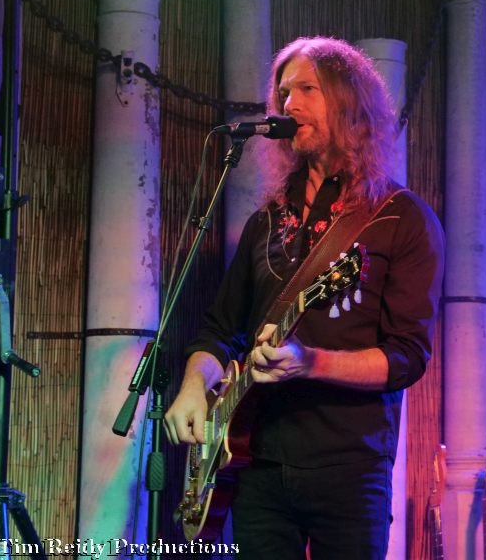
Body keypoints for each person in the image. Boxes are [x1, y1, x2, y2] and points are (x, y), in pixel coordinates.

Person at [164, 36, 444, 560]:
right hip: (256, 462)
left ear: (349, 101)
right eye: (284, 92)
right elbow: (220, 329)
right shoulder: (266, 221)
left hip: (350, 469)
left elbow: (407, 356)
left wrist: (311, 362)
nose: (288, 104)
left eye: (307, 89)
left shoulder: (401, 219)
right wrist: (193, 386)